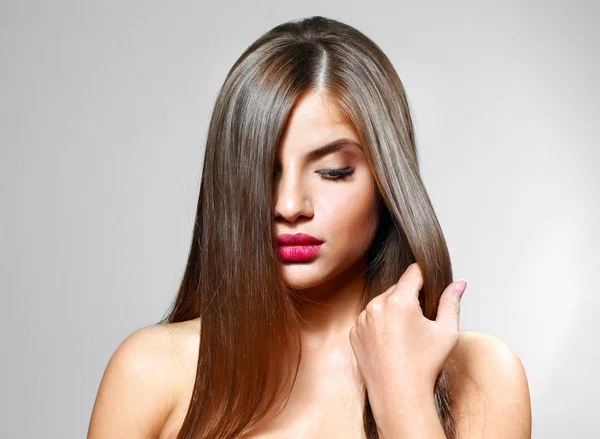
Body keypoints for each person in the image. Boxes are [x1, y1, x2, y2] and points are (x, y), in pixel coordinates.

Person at [87, 16, 531, 439]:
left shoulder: (482, 376)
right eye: (262, 172)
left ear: (387, 180)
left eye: (334, 171)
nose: (289, 206)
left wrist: (404, 396)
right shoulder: (151, 371)